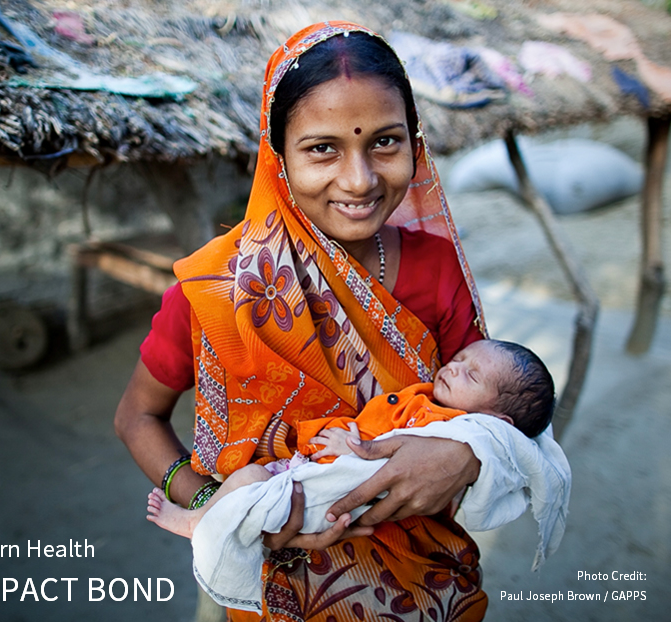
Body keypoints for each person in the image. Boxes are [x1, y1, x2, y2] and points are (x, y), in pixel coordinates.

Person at [115, 21, 566, 621]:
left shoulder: (436, 268)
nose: (360, 179)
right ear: (278, 157)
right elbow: (136, 416)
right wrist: (223, 508)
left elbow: (496, 407)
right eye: (322, 148)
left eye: (385, 141)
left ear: (415, 141)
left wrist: (466, 458)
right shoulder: (220, 288)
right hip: (266, 581)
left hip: (424, 586)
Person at [145, 338, 555, 541]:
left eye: (472, 375)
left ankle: (200, 522)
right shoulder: (431, 399)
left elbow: (393, 461)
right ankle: (205, 517)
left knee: (251, 485)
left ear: (495, 419)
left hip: (338, 491)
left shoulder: (449, 426)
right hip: (311, 466)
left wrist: (469, 455)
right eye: (460, 358)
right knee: (248, 481)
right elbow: (138, 416)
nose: (453, 368)